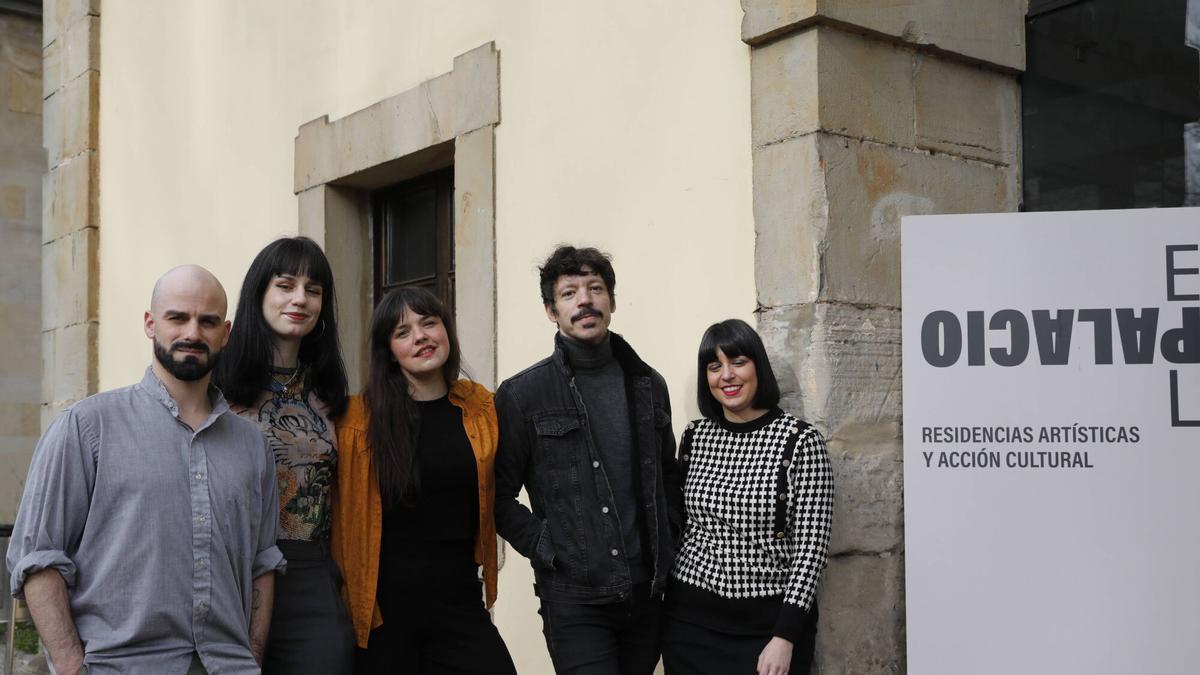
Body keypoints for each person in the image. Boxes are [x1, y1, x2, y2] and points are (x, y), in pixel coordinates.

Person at [6, 265, 285, 675]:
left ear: (225, 334)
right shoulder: (87, 427)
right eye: (177, 317)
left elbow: (262, 564)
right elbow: (37, 557)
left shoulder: (253, 447)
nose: (192, 333)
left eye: (207, 321)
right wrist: (71, 667)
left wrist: (252, 659)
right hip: (121, 666)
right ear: (150, 324)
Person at [494, 245, 682, 675]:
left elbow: (667, 473)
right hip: (574, 597)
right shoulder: (523, 394)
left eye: (595, 288)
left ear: (611, 302)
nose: (585, 300)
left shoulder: (649, 384)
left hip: (647, 592)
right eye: (569, 293)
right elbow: (497, 495)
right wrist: (547, 546)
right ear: (551, 310)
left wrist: (668, 532)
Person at [332, 287, 516, 674]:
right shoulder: (356, 421)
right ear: (389, 350)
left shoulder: (482, 409)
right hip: (383, 613)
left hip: (459, 599)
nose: (420, 336)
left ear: (446, 331)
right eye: (402, 332)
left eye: (429, 323)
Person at [662, 319, 834, 675]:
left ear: (758, 367)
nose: (726, 375)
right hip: (689, 624)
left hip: (767, 631)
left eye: (738, 362)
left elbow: (811, 552)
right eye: (714, 366)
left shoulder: (800, 442)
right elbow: (684, 526)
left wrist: (785, 636)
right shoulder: (695, 436)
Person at [215, 237, 354, 673]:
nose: (300, 299)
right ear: (259, 293)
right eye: (285, 285)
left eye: (313, 291)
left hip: (308, 571)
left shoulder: (330, 395)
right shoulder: (212, 387)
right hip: (226, 569)